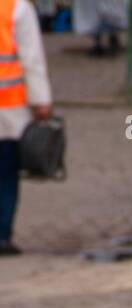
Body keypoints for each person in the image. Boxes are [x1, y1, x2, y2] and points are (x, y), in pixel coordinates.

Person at [0, 0, 51, 254]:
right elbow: (31, 58)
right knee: (6, 175)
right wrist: (41, 100)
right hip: (8, 109)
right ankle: (2, 235)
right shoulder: (16, 7)